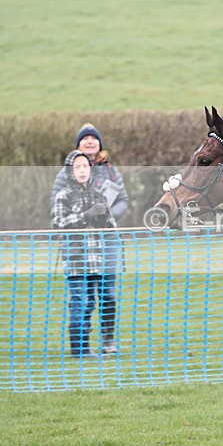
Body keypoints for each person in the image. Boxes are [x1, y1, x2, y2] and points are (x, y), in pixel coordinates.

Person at [51, 123, 128, 354]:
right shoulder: (66, 174)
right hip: (80, 245)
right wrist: (87, 219)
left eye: (94, 138)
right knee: (83, 297)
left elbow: (122, 200)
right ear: (78, 146)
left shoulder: (111, 171)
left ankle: (107, 340)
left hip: (107, 240)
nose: (90, 142)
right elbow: (57, 210)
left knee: (108, 294)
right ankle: (81, 345)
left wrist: (105, 218)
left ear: (100, 143)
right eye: (85, 139)